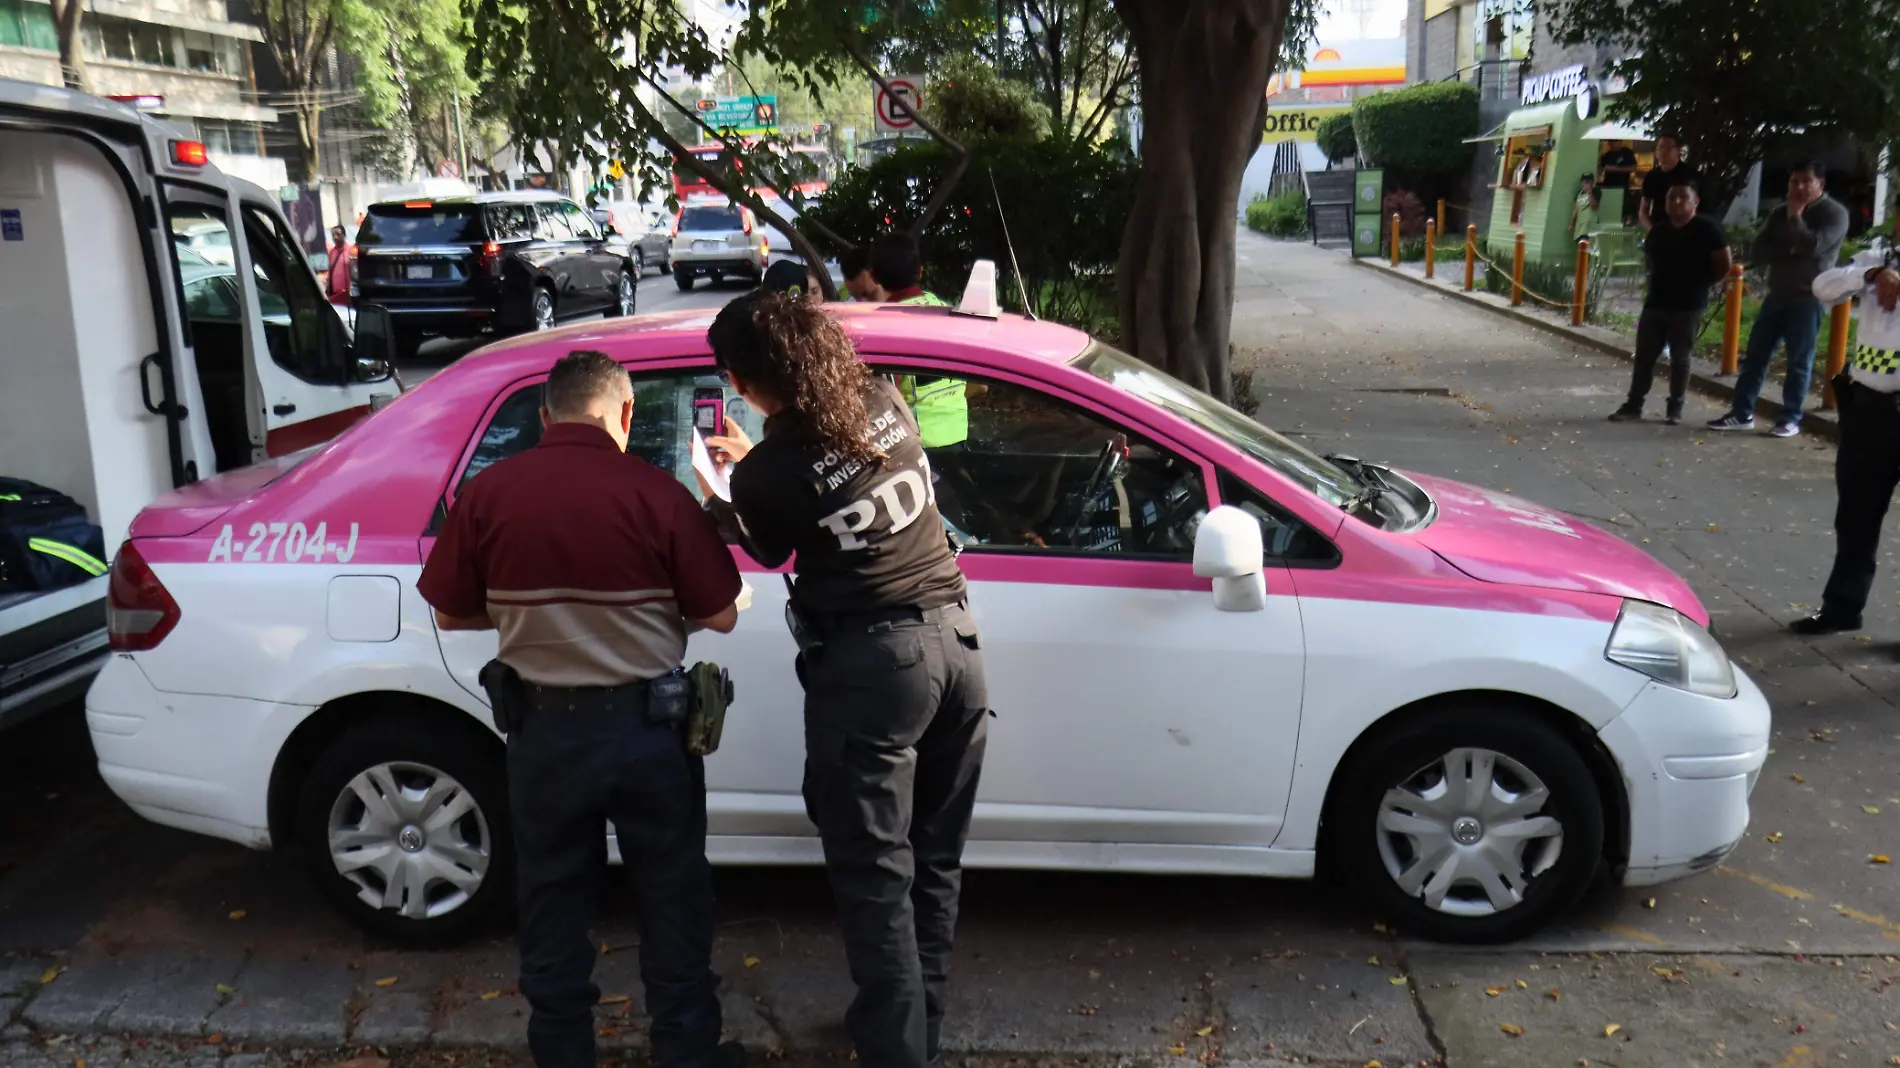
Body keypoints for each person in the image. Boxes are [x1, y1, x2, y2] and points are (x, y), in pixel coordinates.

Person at [416, 351, 746, 1068]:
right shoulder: (655, 494)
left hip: (543, 735)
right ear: (625, 415)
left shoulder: (491, 494)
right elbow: (719, 614)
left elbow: (449, 612)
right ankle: (688, 1052)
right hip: (649, 735)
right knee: (672, 899)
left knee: (552, 905)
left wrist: (534, 616)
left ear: (545, 417)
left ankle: (563, 1053)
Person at [700, 292, 987, 1068]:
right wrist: (752, 466)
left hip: (874, 672)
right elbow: (846, 480)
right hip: (959, 648)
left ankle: (897, 1053)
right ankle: (913, 1029)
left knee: (873, 878)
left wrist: (718, 496)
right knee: (932, 859)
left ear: (746, 380)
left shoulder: (769, 472)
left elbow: (767, 546)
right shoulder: (883, 399)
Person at [1788, 244, 1900, 635]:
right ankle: (1842, 607)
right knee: (1856, 514)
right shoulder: (1879, 257)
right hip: (1869, 411)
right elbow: (1823, 287)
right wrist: (1870, 275)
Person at [1708, 161, 1849, 437]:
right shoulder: (1778, 213)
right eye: (1794, 181)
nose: (1798, 187)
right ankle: (1741, 412)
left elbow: (1814, 247)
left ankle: (1790, 418)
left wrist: (1796, 219)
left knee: (1799, 361)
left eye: (1805, 181)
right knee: (1755, 356)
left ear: (1820, 184)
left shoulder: (1835, 214)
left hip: (1809, 297)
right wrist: (1793, 243)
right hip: (1777, 294)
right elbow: (1760, 250)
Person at [1609, 183, 1732, 425]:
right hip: (1656, 300)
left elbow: (1723, 263)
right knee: (1645, 355)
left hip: (1688, 304)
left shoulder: (1708, 230)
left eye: (1683, 197)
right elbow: (1650, 261)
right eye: (1671, 197)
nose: (1676, 202)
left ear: (1695, 201)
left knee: (1681, 358)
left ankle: (1675, 407)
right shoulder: (1659, 230)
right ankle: (1634, 403)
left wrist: (1705, 283)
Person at [1637, 133, 1700, 233]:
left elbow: (1696, 207)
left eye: (1669, 148)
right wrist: (1652, 231)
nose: (1664, 151)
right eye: (1661, 147)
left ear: (1678, 150)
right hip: (1659, 228)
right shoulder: (1652, 176)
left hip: (1685, 230)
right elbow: (1643, 211)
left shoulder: (1689, 174)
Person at [1598, 141, 1639, 225]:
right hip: (1608, 186)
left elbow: (1633, 168)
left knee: (1624, 207)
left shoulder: (1626, 153)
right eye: (1610, 142)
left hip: (1622, 185)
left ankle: (1626, 221)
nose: (1611, 144)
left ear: (1619, 142)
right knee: (1609, 210)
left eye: (1614, 141)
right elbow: (1601, 170)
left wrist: (1615, 169)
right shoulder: (1606, 155)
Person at [325, 225, 351, 305]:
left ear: (344, 235)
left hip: (347, 293)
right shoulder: (331, 252)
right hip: (334, 293)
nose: (335, 237)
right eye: (333, 235)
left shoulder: (351, 251)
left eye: (338, 234)